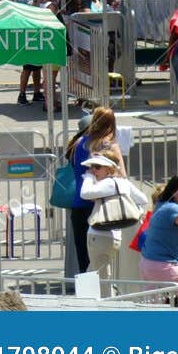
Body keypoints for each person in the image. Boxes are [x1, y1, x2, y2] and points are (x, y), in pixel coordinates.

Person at [79, 150, 150, 294]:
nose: (93, 170)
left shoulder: (108, 184)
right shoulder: (123, 183)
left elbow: (84, 194)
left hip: (99, 235)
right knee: (94, 272)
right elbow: (143, 199)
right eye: (92, 167)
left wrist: (88, 177)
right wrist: (135, 212)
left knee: (100, 276)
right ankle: (84, 302)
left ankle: (105, 306)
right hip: (115, 235)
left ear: (109, 169)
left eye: (97, 167)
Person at [61, 106, 117, 275]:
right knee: (102, 259)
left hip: (78, 206)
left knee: (84, 259)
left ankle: (85, 294)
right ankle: (100, 295)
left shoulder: (77, 143)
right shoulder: (105, 146)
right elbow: (119, 174)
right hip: (97, 207)